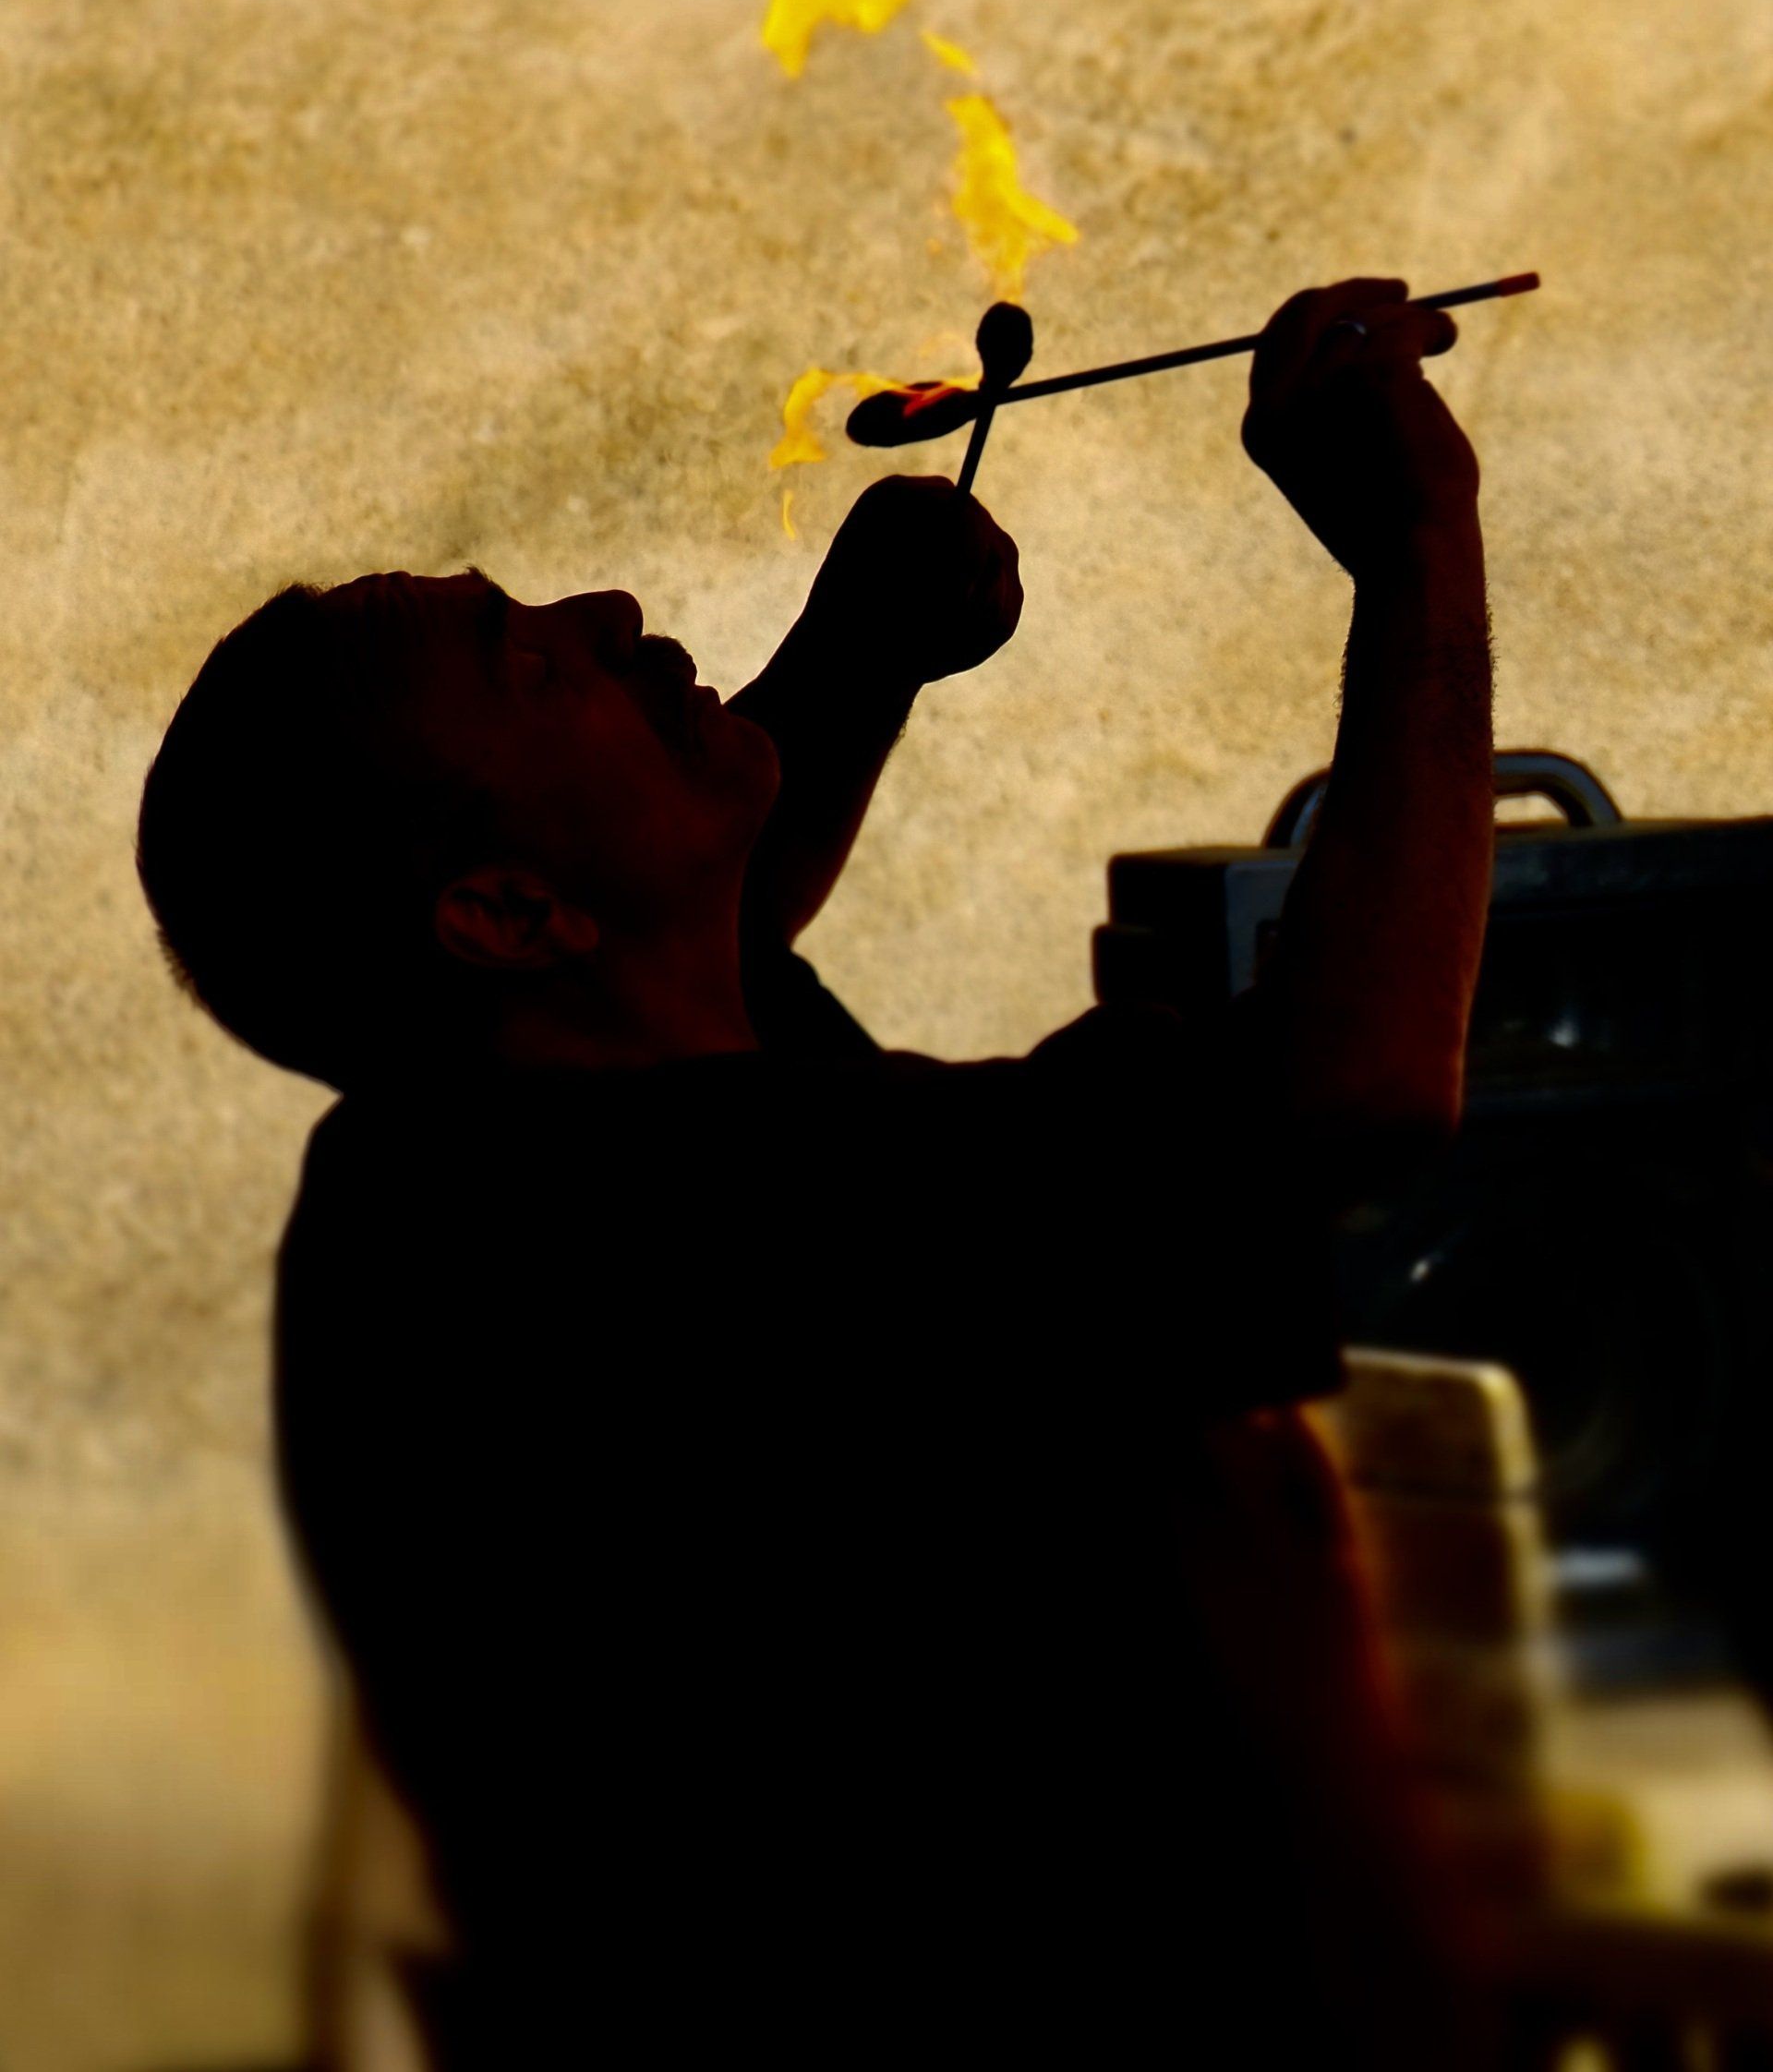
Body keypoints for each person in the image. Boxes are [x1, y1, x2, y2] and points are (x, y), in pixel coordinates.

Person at [138, 278, 1494, 2065]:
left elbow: (689, 947)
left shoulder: (428, 1166)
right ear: (506, 912)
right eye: (534, 666)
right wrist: (1416, 545)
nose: (608, 614)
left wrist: (856, 659)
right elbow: (1359, 1082)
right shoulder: (737, 1221)